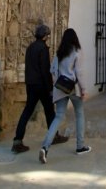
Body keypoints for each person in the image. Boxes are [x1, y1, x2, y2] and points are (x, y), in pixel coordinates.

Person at [12, 24, 68, 153]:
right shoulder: (43, 48)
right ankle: (54, 136)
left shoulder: (30, 47)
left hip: (30, 84)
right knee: (50, 110)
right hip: (41, 85)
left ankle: (17, 141)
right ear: (45, 36)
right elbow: (44, 70)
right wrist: (49, 88)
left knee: (27, 111)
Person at [39, 28, 91, 164]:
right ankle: (80, 146)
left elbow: (52, 70)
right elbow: (79, 73)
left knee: (58, 116)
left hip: (61, 88)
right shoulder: (77, 51)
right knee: (79, 114)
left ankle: (45, 147)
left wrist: (57, 83)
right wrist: (84, 89)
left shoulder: (59, 53)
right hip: (73, 88)